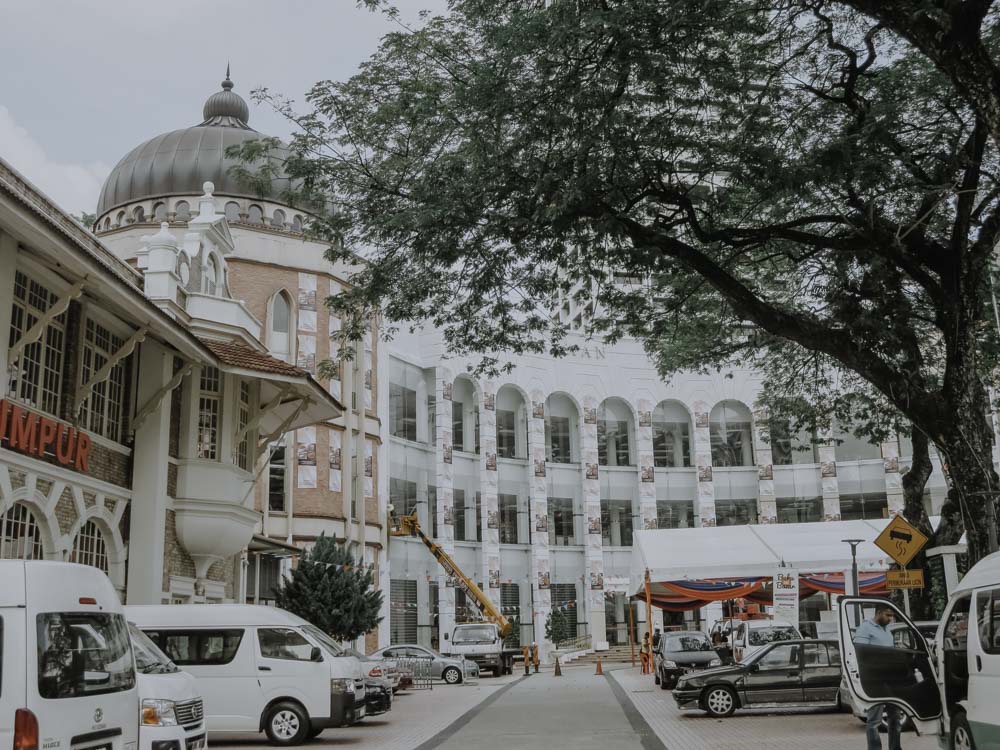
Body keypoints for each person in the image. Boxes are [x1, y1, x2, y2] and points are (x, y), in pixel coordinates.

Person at [854, 603, 902, 750]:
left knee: (895, 717)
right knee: (874, 720)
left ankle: (895, 747)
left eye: (892, 616)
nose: (890, 619)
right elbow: (861, 653)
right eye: (888, 615)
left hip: (890, 679)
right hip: (875, 680)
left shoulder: (886, 629)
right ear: (879, 613)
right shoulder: (865, 628)